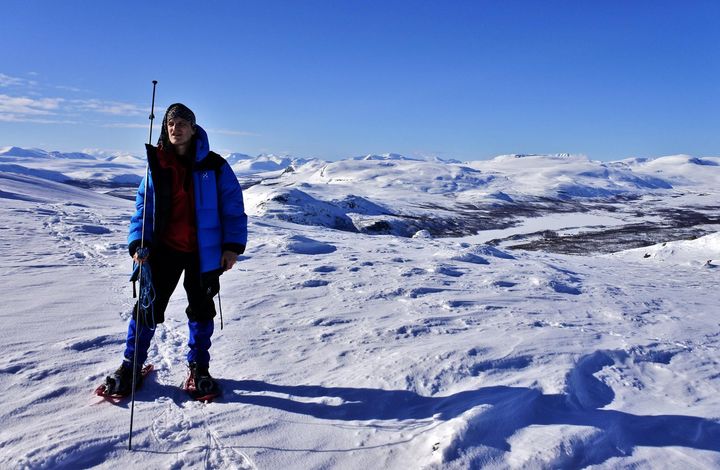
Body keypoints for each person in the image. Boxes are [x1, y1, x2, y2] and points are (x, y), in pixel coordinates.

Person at [103, 103, 247, 397]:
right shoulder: (157, 165)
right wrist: (138, 242)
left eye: (182, 123)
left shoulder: (215, 166)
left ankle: (198, 368)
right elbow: (143, 208)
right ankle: (131, 365)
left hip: (203, 253)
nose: (175, 128)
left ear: (194, 129)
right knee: (147, 307)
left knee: (201, 309)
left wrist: (232, 247)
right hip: (163, 250)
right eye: (170, 123)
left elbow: (233, 208)